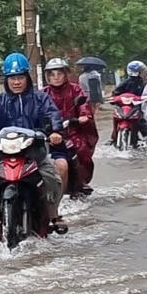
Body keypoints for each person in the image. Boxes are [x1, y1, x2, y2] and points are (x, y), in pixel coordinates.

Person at [0, 53, 66, 242]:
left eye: (20, 77)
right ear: (7, 80)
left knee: (56, 172)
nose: (16, 82)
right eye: (12, 78)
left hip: (34, 151)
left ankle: (53, 212)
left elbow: (53, 115)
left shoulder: (40, 99)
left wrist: (55, 131)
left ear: (27, 78)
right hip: (2, 152)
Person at [42, 58, 98, 196]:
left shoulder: (76, 89)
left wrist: (83, 116)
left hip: (72, 131)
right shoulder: (43, 93)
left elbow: (84, 105)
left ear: (65, 74)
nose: (55, 77)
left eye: (59, 73)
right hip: (49, 133)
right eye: (51, 74)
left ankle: (80, 182)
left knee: (81, 150)